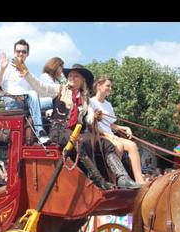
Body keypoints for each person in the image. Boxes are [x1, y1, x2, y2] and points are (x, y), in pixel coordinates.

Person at [13, 59, 140, 189]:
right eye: (70, 76)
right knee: (80, 141)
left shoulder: (85, 99)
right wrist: (26, 74)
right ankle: (98, 180)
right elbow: (40, 87)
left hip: (76, 133)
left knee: (105, 143)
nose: (71, 78)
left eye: (75, 76)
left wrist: (95, 117)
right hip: (59, 132)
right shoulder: (60, 90)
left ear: (82, 80)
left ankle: (122, 178)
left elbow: (89, 119)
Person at [88, 76, 146, 186]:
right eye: (108, 86)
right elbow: (91, 125)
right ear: (99, 86)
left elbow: (111, 125)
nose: (110, 88)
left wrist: (125, 128)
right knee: (119, 146)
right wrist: (107, 135)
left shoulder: (108, 104)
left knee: (132, 145)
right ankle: (114, 181)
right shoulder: (91, 102)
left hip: (110, 135)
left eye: (111, 86)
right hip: (98, 136)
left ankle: (140, 181)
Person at [0, 39, 50, 145]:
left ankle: (57, 131)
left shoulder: (26, 71)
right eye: (18, 51)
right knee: (33, 95)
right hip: (13, 102)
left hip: (27, 102)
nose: (20, 54)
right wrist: (2, 68)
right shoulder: (7, 67)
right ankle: (40, 132)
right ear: (14, 52)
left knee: (53, 100)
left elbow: (36, 91)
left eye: (23, 51)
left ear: (27, 54)